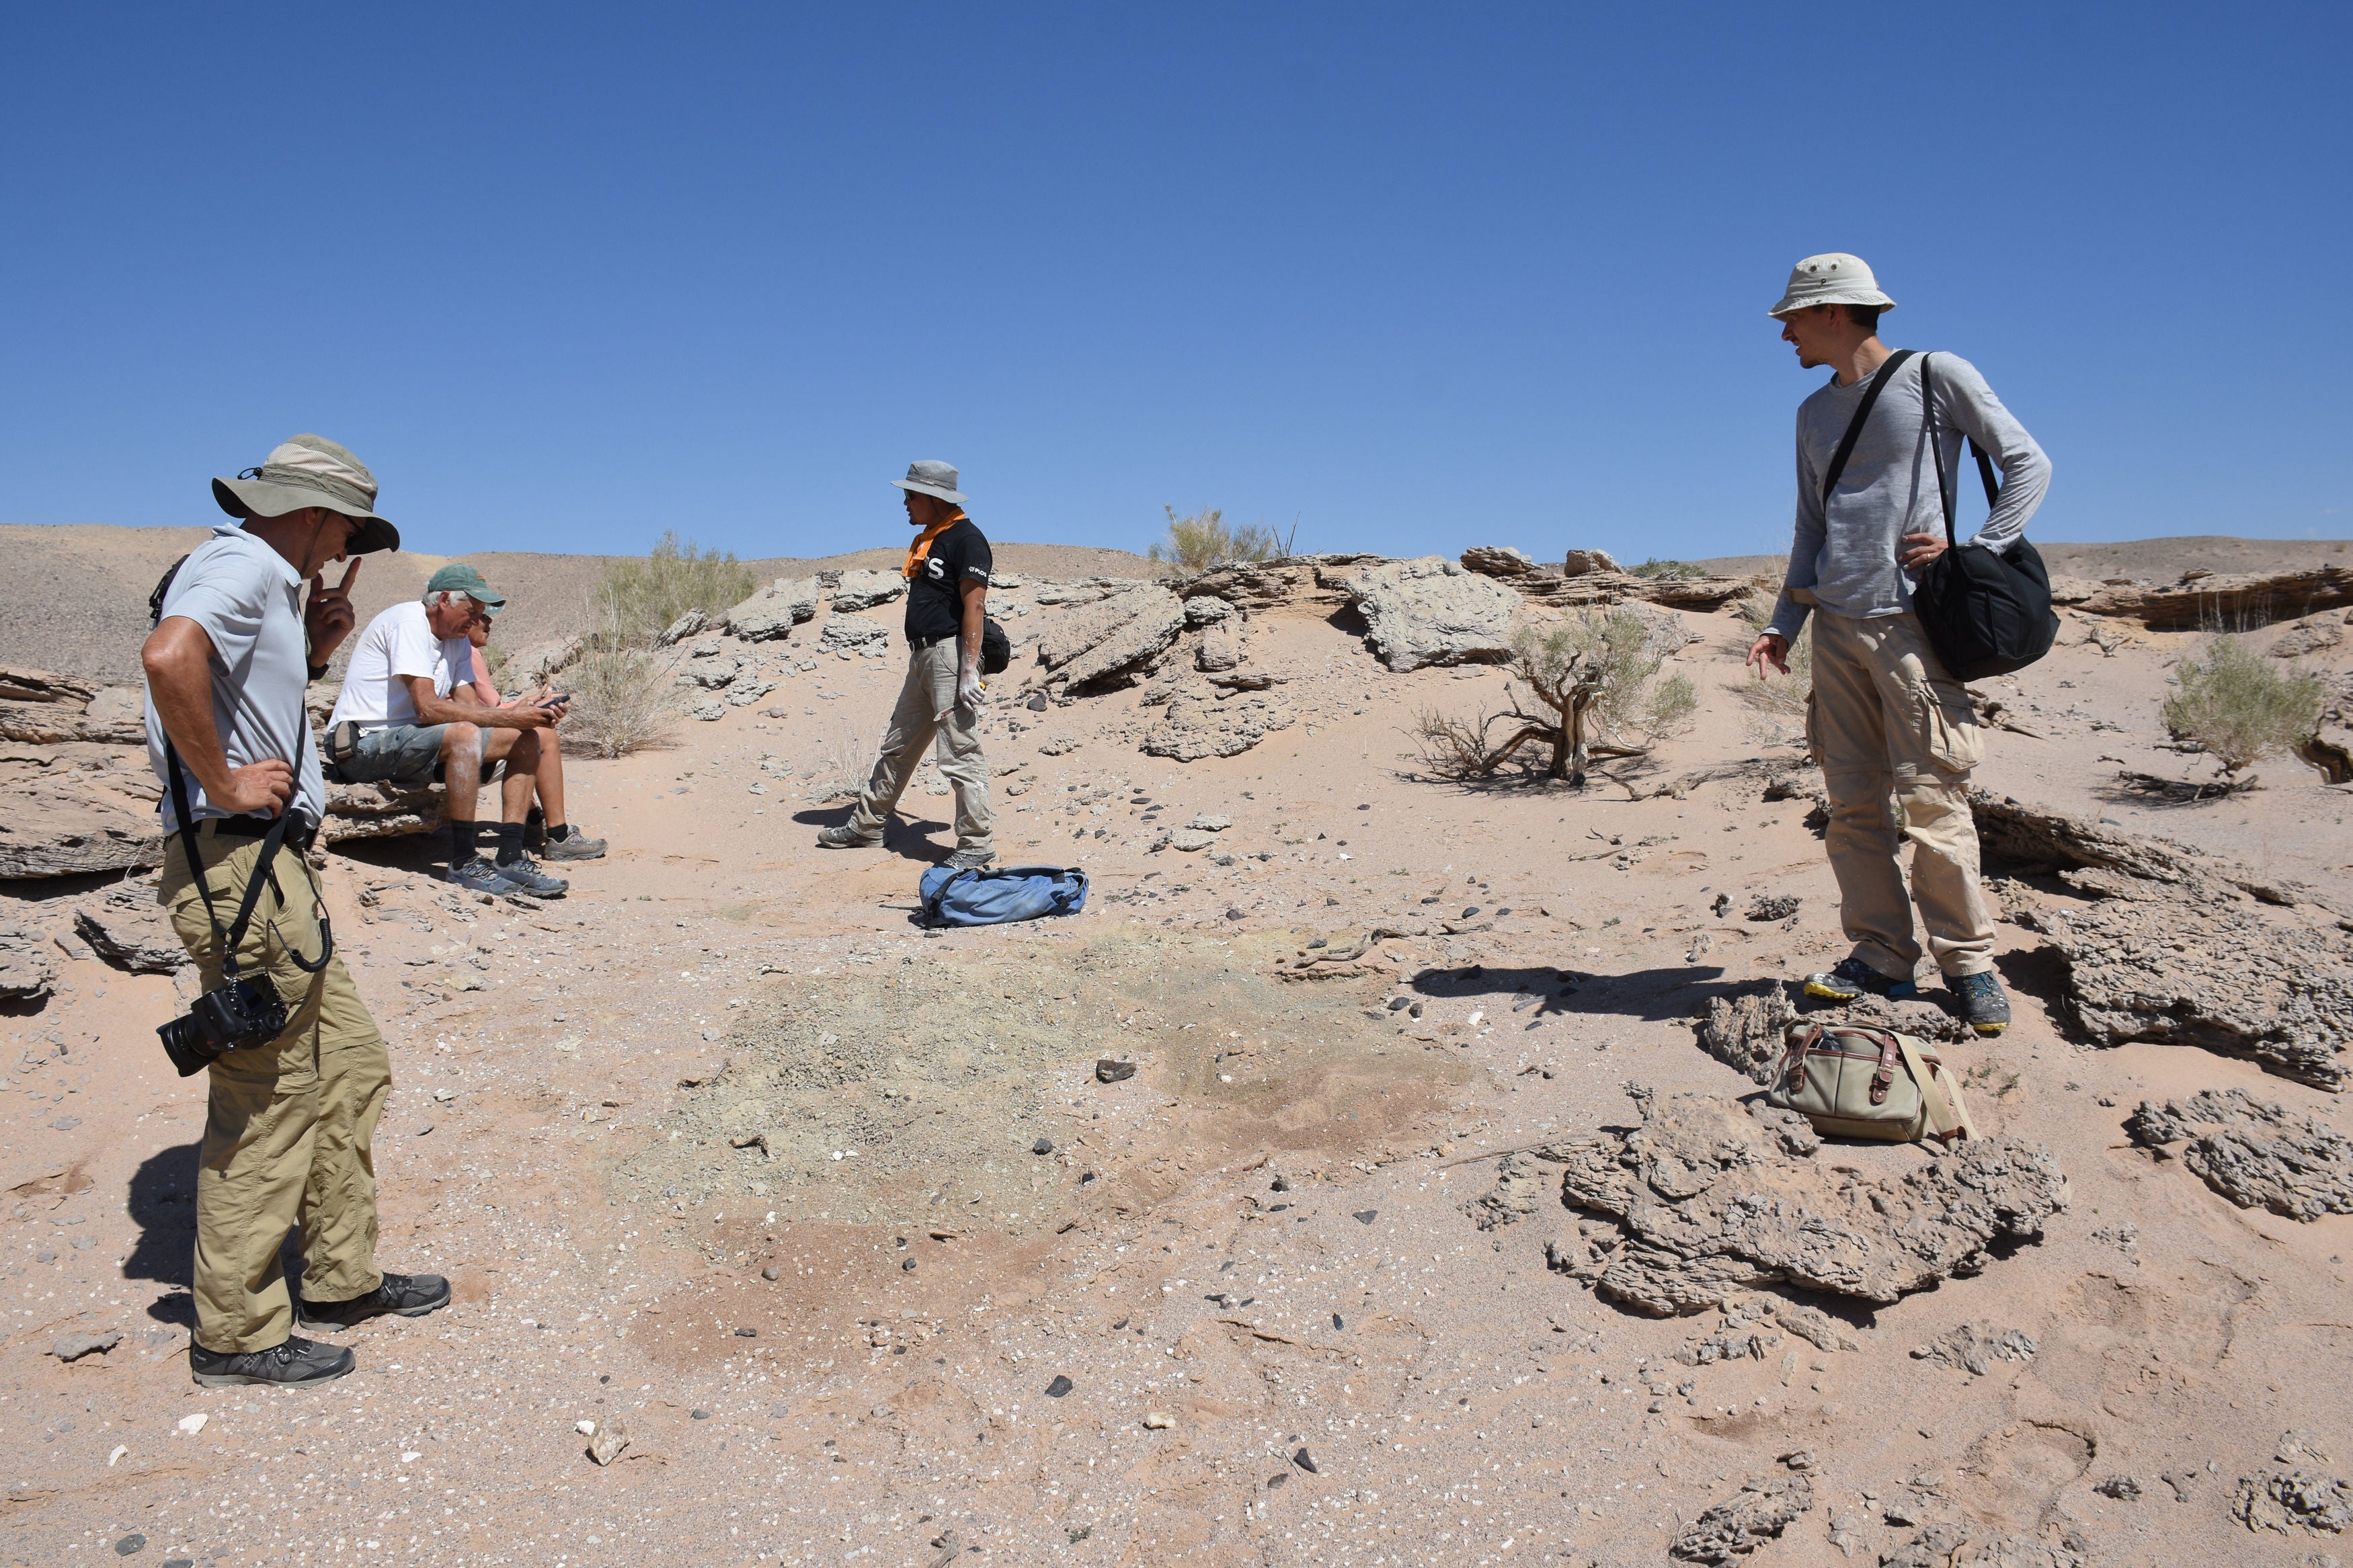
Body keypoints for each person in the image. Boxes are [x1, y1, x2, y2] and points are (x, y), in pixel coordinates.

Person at [142, 434, 450, 1389]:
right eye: (347, 528)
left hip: (272, 875)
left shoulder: (268, 585)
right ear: (316, 513)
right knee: (266, 1099)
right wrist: (226, 781)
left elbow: (238, 694)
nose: (345, 546)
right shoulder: (237, 563)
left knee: (351, 1065)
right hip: (242, 871)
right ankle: (235, 1334)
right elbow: (169, 657)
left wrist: (313, 650)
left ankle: (339, 1276)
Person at [1745, 254, 2051, 1036]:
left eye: (1794, 317)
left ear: (1835, 313)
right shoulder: (1810, 413)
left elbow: (2027, 462)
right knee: (1851, 808)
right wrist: (1785, 623)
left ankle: (1969, 964)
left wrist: (1975, 548)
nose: (1783, 332)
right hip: (1837, 627)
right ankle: (1880, 954)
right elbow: (1809, 526)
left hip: (1910, 625)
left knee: (1932, 800)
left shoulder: (1933, 374)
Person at [325, 563, 596, 896]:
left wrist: (527, 713)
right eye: (472, 610)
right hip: (363, 745)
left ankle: (510, 856)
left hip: (414, 741)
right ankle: (464, 860)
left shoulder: (454, 640)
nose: (476, 620)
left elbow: (473, 709)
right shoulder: (409, 622)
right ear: (443, 600)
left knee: (528, 738)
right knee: (466, 734)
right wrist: (512, 717)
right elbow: (428, 708)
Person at [815, 460, 996, 868]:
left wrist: (969, 669)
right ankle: (868, 825)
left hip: (949, 657)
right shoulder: (932, 539)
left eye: (911, 495)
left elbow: (975, 604)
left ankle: (976, 844)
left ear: (935, 498)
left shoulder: (967, 539)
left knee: (959, 751)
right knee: (898, 746)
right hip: (923, 657)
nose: (905, 503)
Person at [463, 610, 605, 860]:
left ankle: (532, 819)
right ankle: (560, 835)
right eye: (482, 615)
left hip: (453, 741)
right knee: (541, 737)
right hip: (464, 752)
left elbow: (488, 711)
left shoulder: (452, 649)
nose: (489, 622)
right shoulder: (468, 653)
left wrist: (526, 704)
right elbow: (491, 713)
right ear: (466, 619)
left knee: (526, 733)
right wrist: (531, 710)